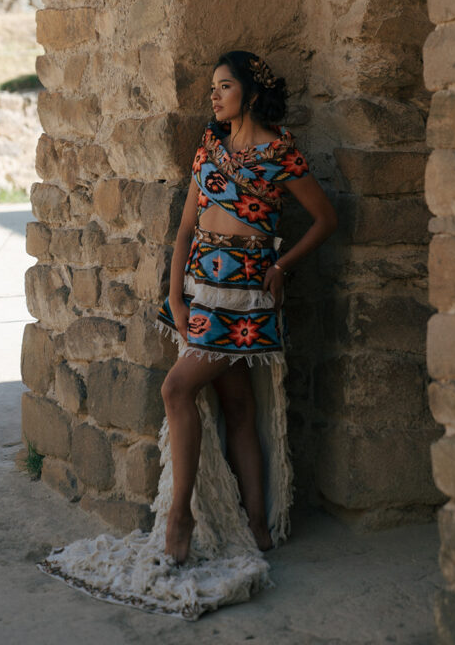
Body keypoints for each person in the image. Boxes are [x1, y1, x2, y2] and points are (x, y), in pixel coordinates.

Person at [37, 50, 338, 619]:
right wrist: (175, 298)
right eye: (212, 89)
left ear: (248, 94)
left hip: (247, 302)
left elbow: (326, 220)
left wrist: (282, 267)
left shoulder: (280, 152)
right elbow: (183, 232)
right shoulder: (209, 150)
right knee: (237, 405)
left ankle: (180, 517)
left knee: (177, 390)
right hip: (200, 295)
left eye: (224, 87)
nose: (213, 96)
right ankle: (255, 526)